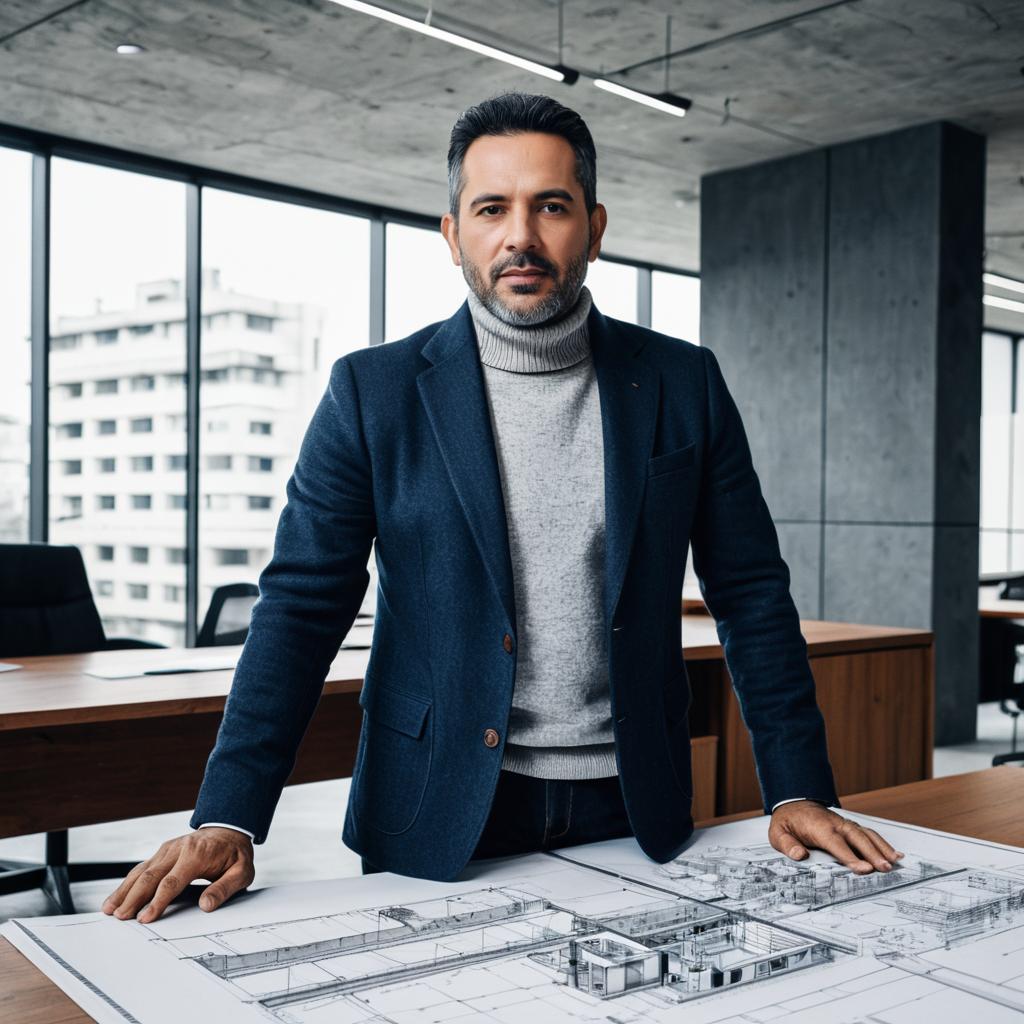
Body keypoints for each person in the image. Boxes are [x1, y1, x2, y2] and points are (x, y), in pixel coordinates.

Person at [103, 92, 902, 925]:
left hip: (634, 802)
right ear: (454, 235)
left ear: (593, 227)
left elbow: (751, 594)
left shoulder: (683, 382)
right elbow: (300, 610)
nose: (520, 235)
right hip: (437, 802)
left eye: (550, 206)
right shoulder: (371, 394)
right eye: (492, 209)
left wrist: (797, 787)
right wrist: (229, 811)